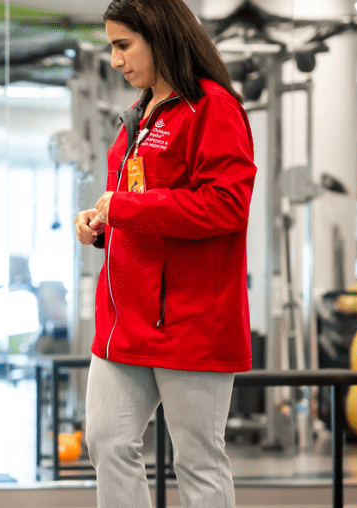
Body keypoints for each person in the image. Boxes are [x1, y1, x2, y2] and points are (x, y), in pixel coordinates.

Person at [73, 0, 256, 506]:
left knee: (197, 459)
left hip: (191, 320)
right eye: (112, 46)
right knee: (106, 441)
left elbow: (226, 206)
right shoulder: (136, 117)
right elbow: (132, 209)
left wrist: (126, 209)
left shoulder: (212, 107)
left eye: (123, 45)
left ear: (160, 37)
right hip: (124, 322)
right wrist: (101, 226)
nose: (115, 60)